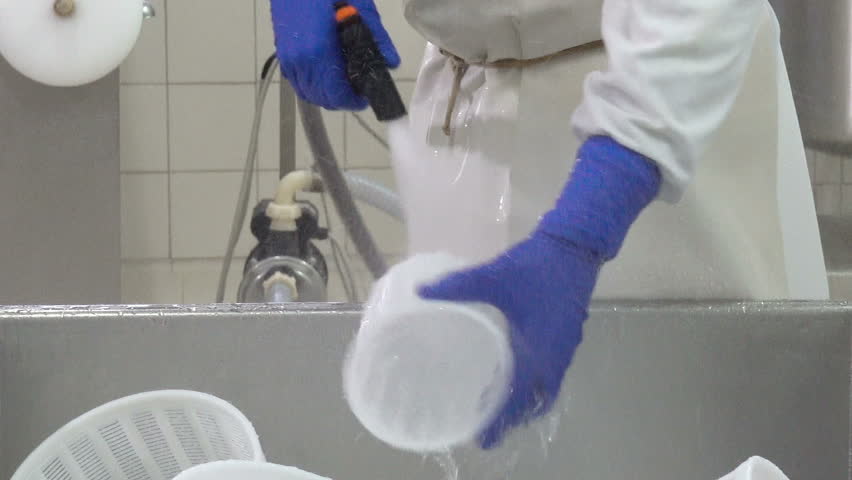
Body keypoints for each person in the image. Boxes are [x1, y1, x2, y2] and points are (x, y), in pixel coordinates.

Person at [270, 0, 829, 449]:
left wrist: (587, 222)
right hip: (465, 86)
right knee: (474, 438)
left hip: (655, 106)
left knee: (666, 439)